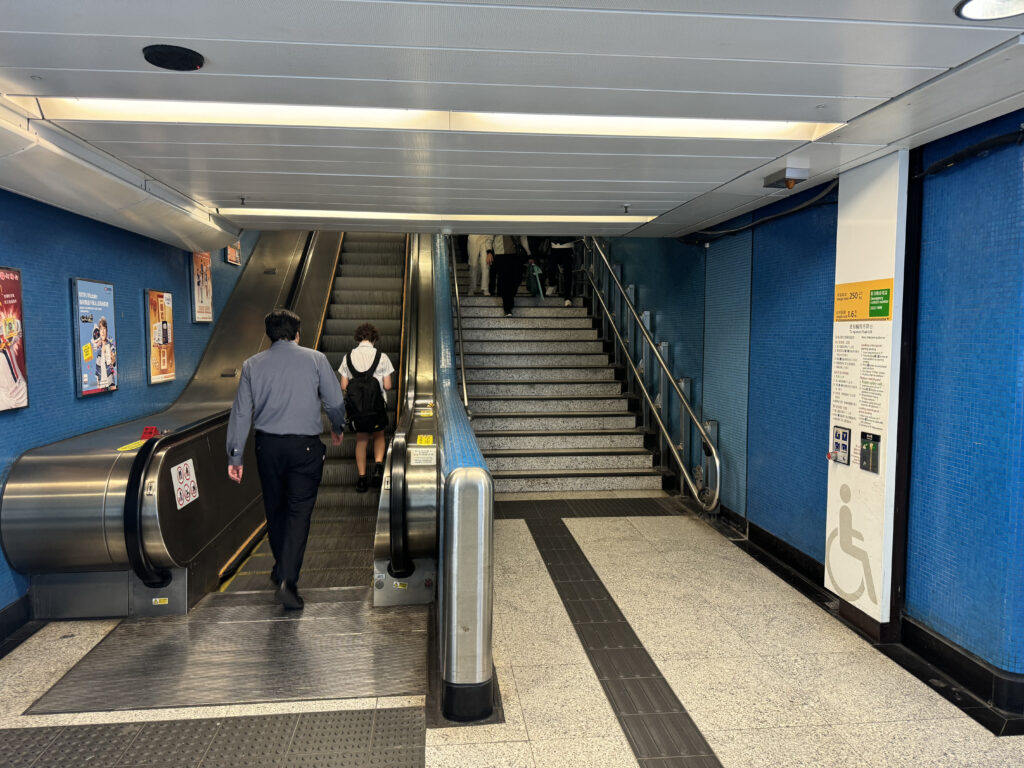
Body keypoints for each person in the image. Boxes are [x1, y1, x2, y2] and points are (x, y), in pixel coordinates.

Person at [226, 309, 346, 610]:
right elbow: (335, 401)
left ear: (269, 335)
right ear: (297, 334)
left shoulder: (252, 365)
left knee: (276, 510)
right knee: (298, 513)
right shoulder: (316, 359)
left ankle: (282, 567)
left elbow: (241, 412)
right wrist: (337, 427)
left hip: (267, 447)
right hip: (305, 448)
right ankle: (287, 580)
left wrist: (235, 455)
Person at [338, 323, 395, 493]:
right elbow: (388, 385)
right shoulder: (382, 357)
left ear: (358, 338)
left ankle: (362, 479)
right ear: (374, 339)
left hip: (358, 409)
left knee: (361, 440)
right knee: (379, 435)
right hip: (376, 407)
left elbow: (343, 386)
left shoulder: (348, 357)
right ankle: (378, 468)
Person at [492, 235, 524, 317]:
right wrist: (489, 251)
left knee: (516, 279)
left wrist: (529, 254)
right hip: (500, 255)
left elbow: (523, 237)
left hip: (515, 254)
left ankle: (508, 300)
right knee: (505, 281)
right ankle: (507, 307)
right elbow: (490, 237)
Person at [545, 237, 579, 307]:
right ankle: (552, 284)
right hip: (555, 247)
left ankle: (567, 297)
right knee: (551, 268)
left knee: (567, 274)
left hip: (567, 247)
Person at [92, 317, 117, 390]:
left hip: (109, 381)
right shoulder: (98, 347)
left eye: (104, 329)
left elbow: (114, 361)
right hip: (101, 383)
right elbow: (97, 368)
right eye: (101, 329)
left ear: (106, 330)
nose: (103, 332)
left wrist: (113, 359)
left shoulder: (110, 345)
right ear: (99, 331)